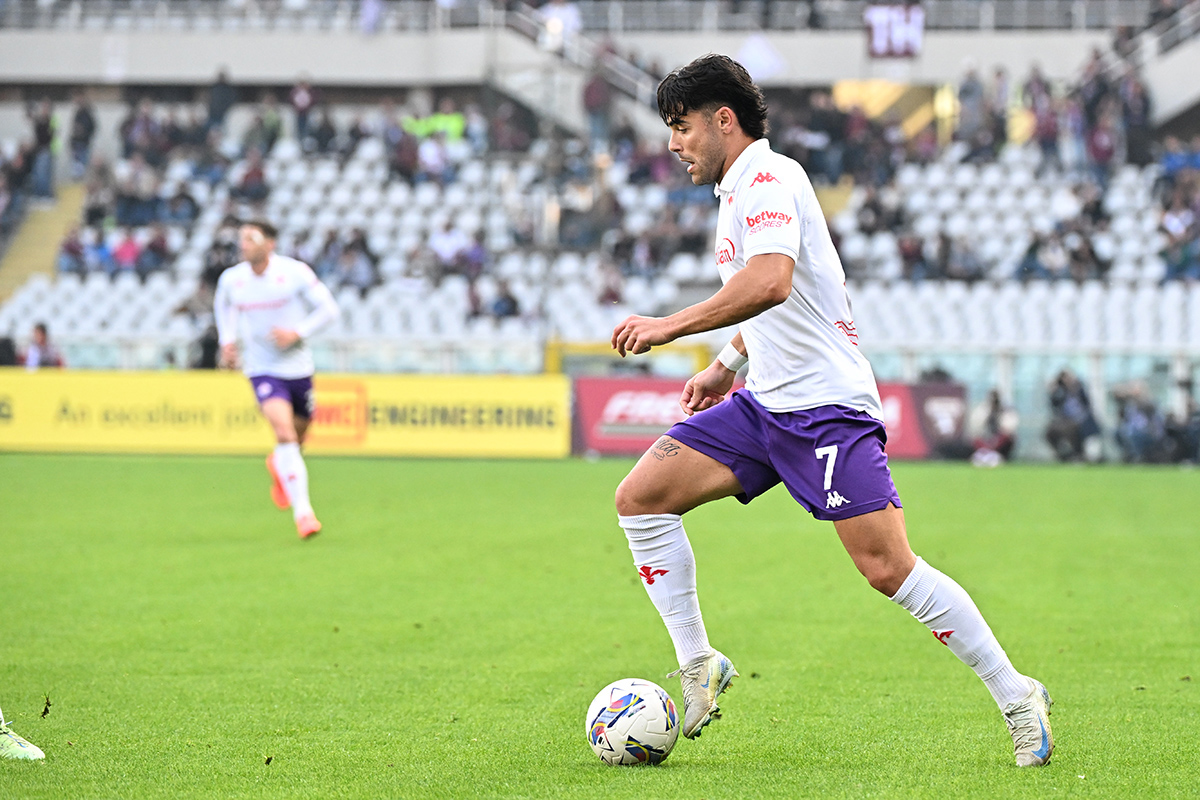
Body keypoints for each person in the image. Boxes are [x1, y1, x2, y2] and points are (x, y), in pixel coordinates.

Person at [608, 54, 1054, 767]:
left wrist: (670, 326)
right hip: (765, 406)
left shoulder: (770, 177)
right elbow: (788, 299)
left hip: (825, 411)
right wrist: (728, 364)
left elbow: (773, 281)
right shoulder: (738, 191)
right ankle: (698, 662)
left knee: (887, 568)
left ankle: (1015, 692)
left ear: (723, 120)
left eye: (681, 126)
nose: (673, 144)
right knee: (641, 499)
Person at [214, 220, 339, 539]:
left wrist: (297, 333)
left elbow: (328, 310)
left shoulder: (295, 272)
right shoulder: (233, 279)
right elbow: (224, 305)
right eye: (241, 238)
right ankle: (304, 515)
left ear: (270, 244)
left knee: (297, 439)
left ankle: (279, 466)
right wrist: (227, 341)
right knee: (284, 433)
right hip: (261, 368)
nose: (244, 244)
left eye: (251, 238)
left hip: (298, 368)